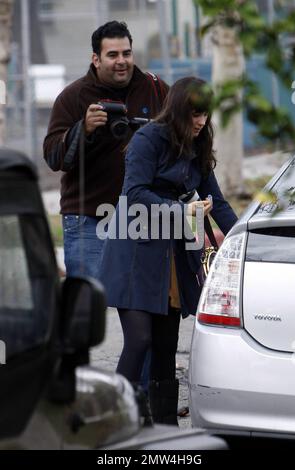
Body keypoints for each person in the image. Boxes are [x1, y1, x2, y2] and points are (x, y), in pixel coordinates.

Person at [99, 76, 238, 425]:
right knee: (139, 339)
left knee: (166, 343)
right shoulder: (149, 138)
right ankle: (110, 418)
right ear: (177, 109)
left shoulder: (200, 142)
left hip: (173, 253)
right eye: (194, 114)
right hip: (133, 249)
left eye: (205, 114)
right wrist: (182, 211)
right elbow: (133, 194)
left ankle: (164, 426)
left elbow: (217, 203)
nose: (201, 121)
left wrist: (242, 240)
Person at [43, 21, 168, 279]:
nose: (121, 61)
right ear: (96, 59)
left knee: (144, 307)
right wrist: (84, 129)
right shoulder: (74, 96)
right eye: (112, 55)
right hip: (89, 219)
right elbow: (53, 156)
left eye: (126, 53)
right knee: (89, 305)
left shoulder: (155, 89)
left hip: (144, 217)